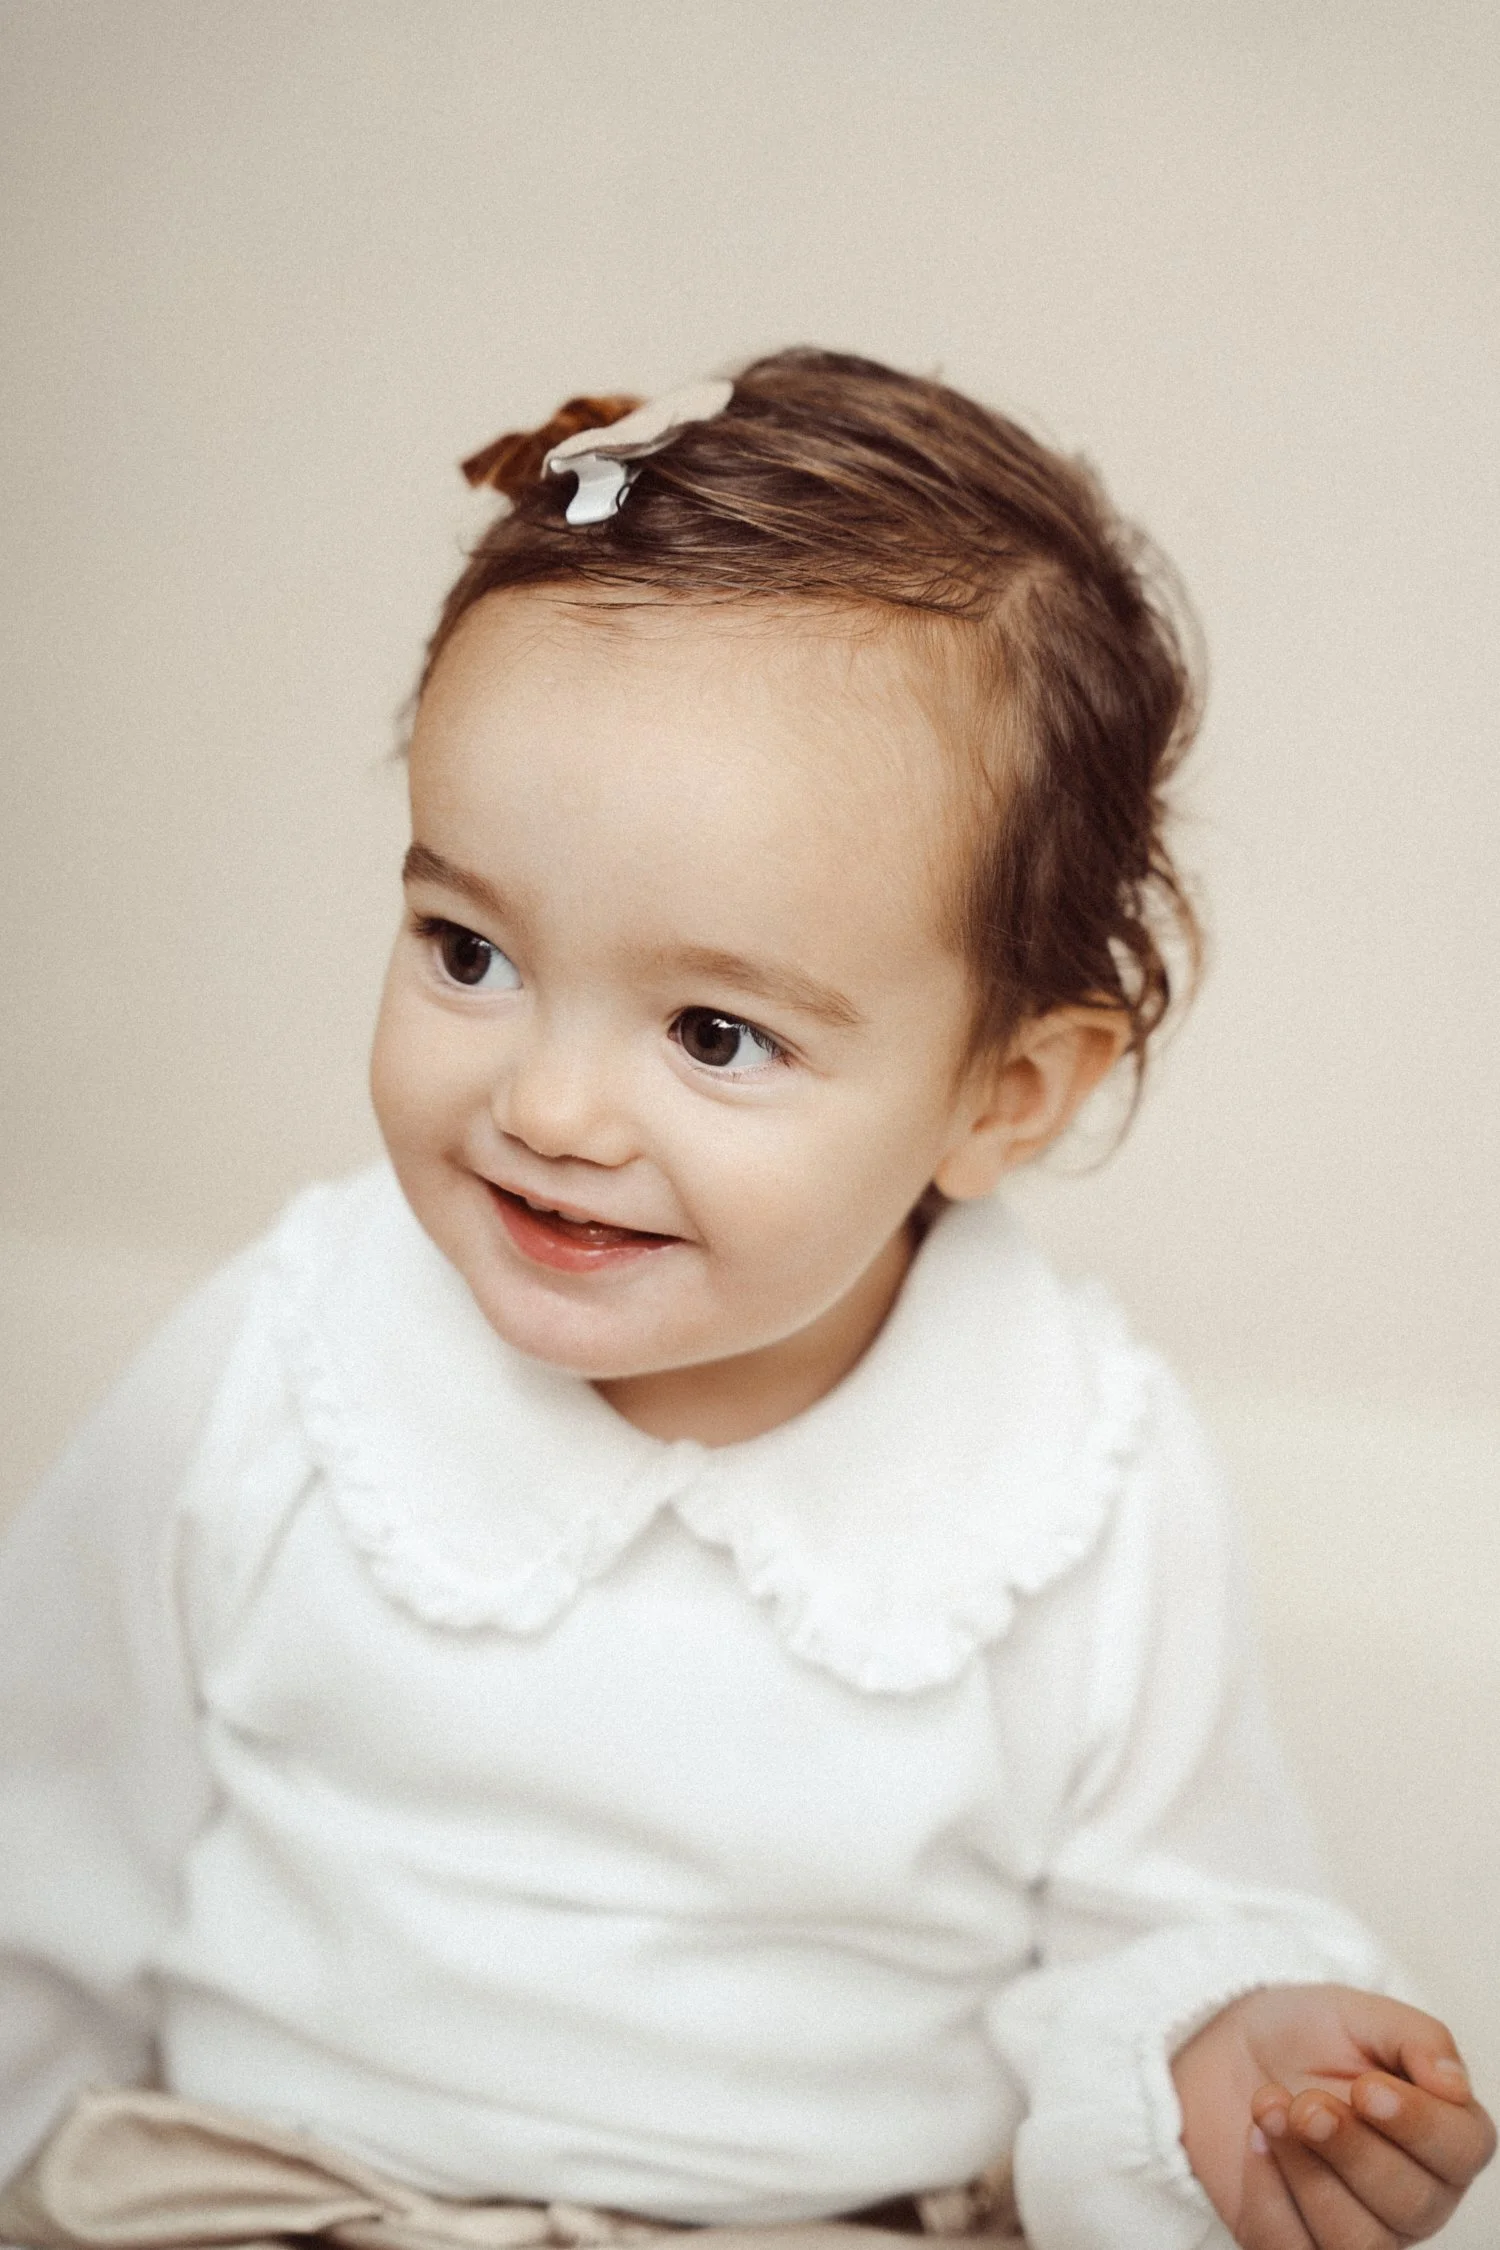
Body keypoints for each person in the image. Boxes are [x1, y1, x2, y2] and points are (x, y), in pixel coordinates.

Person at [0, 349, 1490, 2250]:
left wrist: (1231, 2056)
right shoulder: (284, 1364)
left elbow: (1173, 1916)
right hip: (275, 2204)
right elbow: (42, 1841)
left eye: (716, 1031)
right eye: (469, 948)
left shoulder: (1074, 1483)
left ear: (1002, 1092)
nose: (545, 1107)